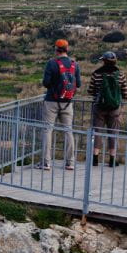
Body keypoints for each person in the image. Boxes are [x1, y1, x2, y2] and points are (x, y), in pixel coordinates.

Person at [41, 39, 81, 170]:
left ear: (56, 49)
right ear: (67, 49)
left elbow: (46, 83)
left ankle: (46, 163)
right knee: (68, 131)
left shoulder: (51, 63)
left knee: (48, 130)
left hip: (51, 101)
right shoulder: (75, 64)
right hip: (67, 103)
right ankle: (70, 162)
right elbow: (78, 84)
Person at [87, 51, 127, 167]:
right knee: (113, 133)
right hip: (114, 109)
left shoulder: (96, 74)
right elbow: (125, 93)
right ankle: (112, 159)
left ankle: (95, 158)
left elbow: (90, 91)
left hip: (99, 107)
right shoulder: (120, 74)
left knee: (97, 132)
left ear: (103, 61)